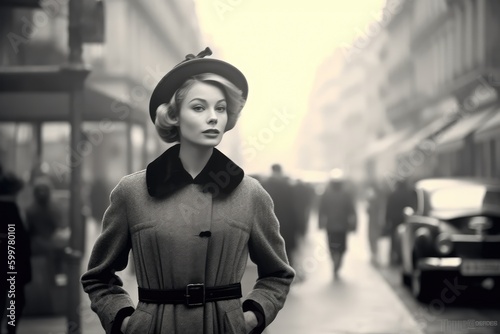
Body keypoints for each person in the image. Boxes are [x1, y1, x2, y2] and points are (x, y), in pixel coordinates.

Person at [81, 47, 295, 334]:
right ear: (174, 115)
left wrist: (250, 317)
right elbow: (98, 277)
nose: (213, 117)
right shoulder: (132, 192)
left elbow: (278, 274)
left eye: (220, 108)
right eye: (199, 107)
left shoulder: (250, 194)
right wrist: (125, 322)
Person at [0, 167, 32, 334]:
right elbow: (18, 241)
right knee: (14, 297)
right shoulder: (12, 210)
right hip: (12, 264)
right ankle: (11, 327)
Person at [318, 169, 357, 280]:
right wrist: (354, 225)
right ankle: (337, 263)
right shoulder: (346, 195)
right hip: (342, 226)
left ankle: (335, 263)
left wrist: (320, 223)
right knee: (341, 247)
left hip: (332, 226)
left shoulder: (327, 194)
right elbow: (352, 211)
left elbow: (321, 210)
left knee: (332, 247)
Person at [261, 164, 299, 268]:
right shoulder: (287, 186)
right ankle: (287, 268)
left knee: (271, 247)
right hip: (286, 222)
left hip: (269, 221)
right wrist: (296, 225)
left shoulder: (265, 185)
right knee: (286, 248)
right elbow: (293, 207)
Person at [384, 179, 412, 266]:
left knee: (393, 239)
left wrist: (387, 220)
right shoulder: (408, 195)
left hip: (394, 220)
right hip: (404, 220)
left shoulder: (393, 195)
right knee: (404, 239)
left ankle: (393, 257)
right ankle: (401, 257)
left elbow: (388, 209)